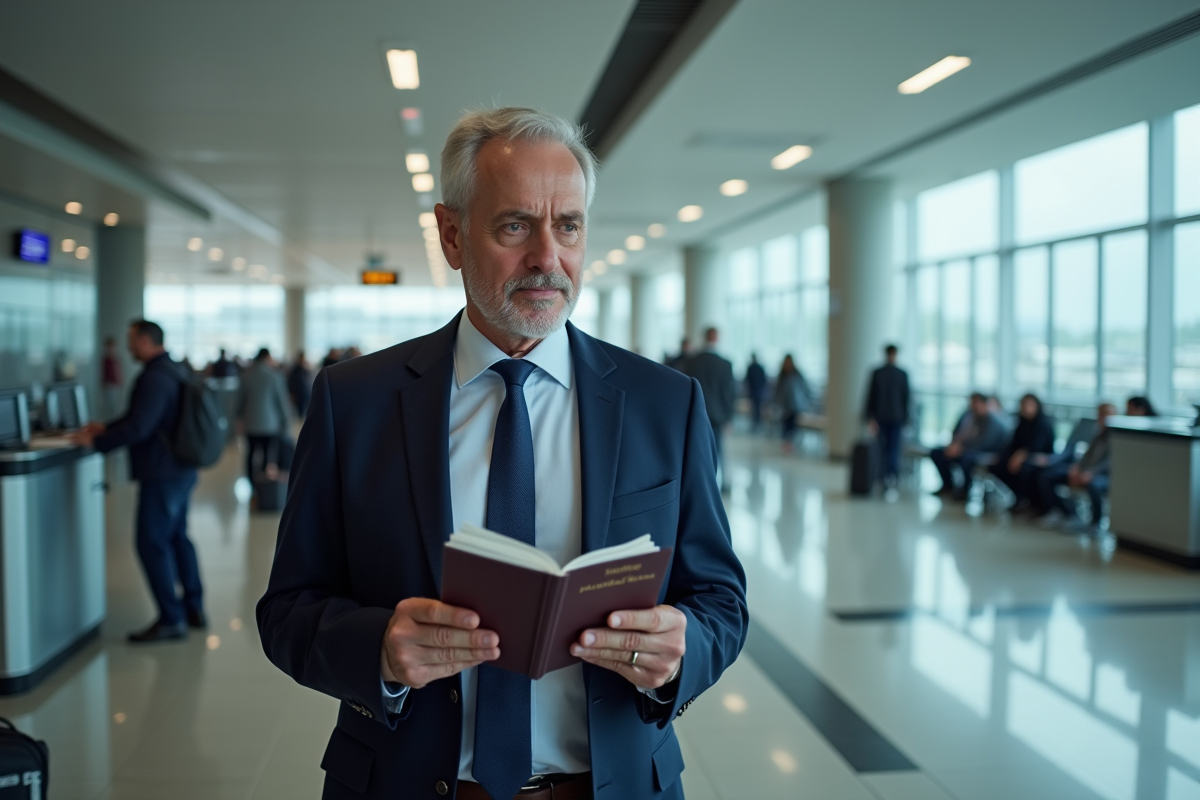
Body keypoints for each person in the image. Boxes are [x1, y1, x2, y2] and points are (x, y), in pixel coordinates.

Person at [256, 107, 747, 800]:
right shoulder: (354, 402)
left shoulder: (664, 403)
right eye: (516, 225)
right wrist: (381, 650)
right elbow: (286, 611)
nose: (548, 257)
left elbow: (722, 600)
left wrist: (684, 649)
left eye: (568, 226)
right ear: (452, 235)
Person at [72, 320, 206, 642]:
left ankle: (171, 618)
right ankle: (193, 608)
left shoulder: (154, 377)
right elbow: (143, 418)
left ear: (146, 341)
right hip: (182, 467)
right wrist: (105, 428)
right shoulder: (174, 370)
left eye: (131, 340)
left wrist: (96, 443)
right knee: (177, 538)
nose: (128, 346)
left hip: (162, 472)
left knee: (151, 542)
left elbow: (140, 427)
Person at [1033, 397, 1153, 528]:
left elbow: (1112, 462)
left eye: (1107, 414)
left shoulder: (1120, 436)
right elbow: (1087, 455)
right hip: (1086, 471)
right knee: (1046, 476)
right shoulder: (1098, 433)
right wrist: (1077, 468)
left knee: (1094, 485)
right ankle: (1066, 513)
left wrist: (1091, 473)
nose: (1104, 418)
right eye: (1101, 414)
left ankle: (1095, 523)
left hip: (1104, 475)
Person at [680, 326, 735, 489]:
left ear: (705, 337)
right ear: (717, 338)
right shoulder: (725, 364)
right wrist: (729, 417)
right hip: (718, 415)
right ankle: (720, 484)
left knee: (696, 450)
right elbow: (729, 393)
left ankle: (699, 486)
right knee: (718, 450)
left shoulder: (691, 362)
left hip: (696, 412)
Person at [929, 392, 1011, 500]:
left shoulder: (992, 420)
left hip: (983, 451)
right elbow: (957, 432)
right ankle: (948, 486)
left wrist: (961, 448)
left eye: (976, 403)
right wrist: (954, 445)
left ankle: (965, 490)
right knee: (937, 452)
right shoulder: (968, 416)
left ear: (984, 404)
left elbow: (985, 443)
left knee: (967, 459)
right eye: (972, 402)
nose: (973, 405)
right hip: (964, 449)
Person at [988, 393, 1055, 508]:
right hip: (1019, 456)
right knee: (997, 465)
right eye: (1024, 405)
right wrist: (1002, 456)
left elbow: (1036, 447)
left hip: (1038, 458)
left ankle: (1030, 501)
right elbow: (1013, 443)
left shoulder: (1043, 422)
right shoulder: (1022, 421)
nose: (1027, 408)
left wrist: (1020, 456)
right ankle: (1019, 496)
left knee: (1025, 470)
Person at [238, 348, 291, 482]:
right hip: (270, 424)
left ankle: (251, 482)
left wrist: (238, 419)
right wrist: (286, 422)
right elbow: (281, 402)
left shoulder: (246, 377)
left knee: (251, 453)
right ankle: (264, 482)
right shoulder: (275, 376)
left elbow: (239, 401)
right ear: (267, 358)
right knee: (268, 455)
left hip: (250, 424)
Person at [863, 344, 910, 486]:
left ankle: (886, 475)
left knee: (888, 448)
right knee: (888, 448)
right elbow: (905, 398)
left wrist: (869, 417)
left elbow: (905, 398)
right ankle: (887, 476)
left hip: (887, 417)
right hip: (890, 417)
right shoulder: (900, 374)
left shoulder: (880, 373)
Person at [774, 354, 812, 453]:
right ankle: (786, 443)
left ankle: (791, 444)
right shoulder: (782, 375)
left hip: (795, 405)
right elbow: (778, 391)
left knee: (792, 425)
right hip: (784, 405)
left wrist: (805, 402)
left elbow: (805, 389)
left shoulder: (797, 374)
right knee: (785, 425)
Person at [100, 335, 123, 420]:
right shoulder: (106, 359)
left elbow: (118, 371)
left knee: (115, 406)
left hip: (115, 385)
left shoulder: (115, 358)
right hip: (109, 385)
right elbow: (104, 373)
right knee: (109, 406)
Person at [744, 353, 767, 430]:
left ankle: (756, 423)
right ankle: (756, 423)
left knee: (755, 408)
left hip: (754, 391)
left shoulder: (751, 367)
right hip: (758, 391)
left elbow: (747, 380)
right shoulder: (759, 367)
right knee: (756, 408)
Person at [287, 351, 313, 418]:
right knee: (300, 412)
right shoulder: (295, 370)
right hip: (298, 393)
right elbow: (291, 382)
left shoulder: (305, 370)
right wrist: (292, 393)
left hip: (305, 393)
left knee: (305, 410)